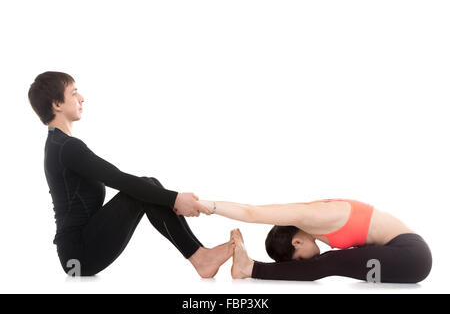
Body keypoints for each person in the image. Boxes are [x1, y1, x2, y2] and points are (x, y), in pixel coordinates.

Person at [28, 71, 234, 277]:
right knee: (142, 188)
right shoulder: (66, 147)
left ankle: (201, 256)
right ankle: (201, 258)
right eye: (74, 93)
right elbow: (117, 179)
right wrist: (176, 199)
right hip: (79, 257)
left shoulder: (59, 144)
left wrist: (174, 199)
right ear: (57, 104)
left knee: (147, 185)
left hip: (79, 252)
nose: (81, 98)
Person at [200, 198, 432, 283]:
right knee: (332, 261)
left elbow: (252, 212)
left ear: (297, 243)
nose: (307, 260)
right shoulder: (311, 220)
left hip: (412, 257)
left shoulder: (312, 217)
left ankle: (249, 268)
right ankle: (248, 268)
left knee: (328, 263)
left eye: (299, 260)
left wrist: (209, 207)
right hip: (400, 260)